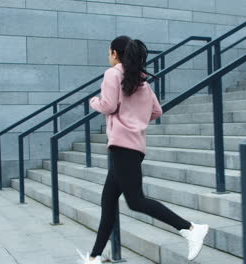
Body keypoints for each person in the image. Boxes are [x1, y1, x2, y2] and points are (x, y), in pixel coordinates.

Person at [76, 36, 209, 264]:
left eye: (109, 53)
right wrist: (135, 117)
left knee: (135, 201)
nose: (108, 57)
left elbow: (107, 105)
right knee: (108, 201)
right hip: (133, 148)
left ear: (115, 54)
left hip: (122, 147)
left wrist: (93, 101)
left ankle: (190, 228)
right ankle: (94, 257)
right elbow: (157, 111)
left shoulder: (113, 74)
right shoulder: (142, 81)